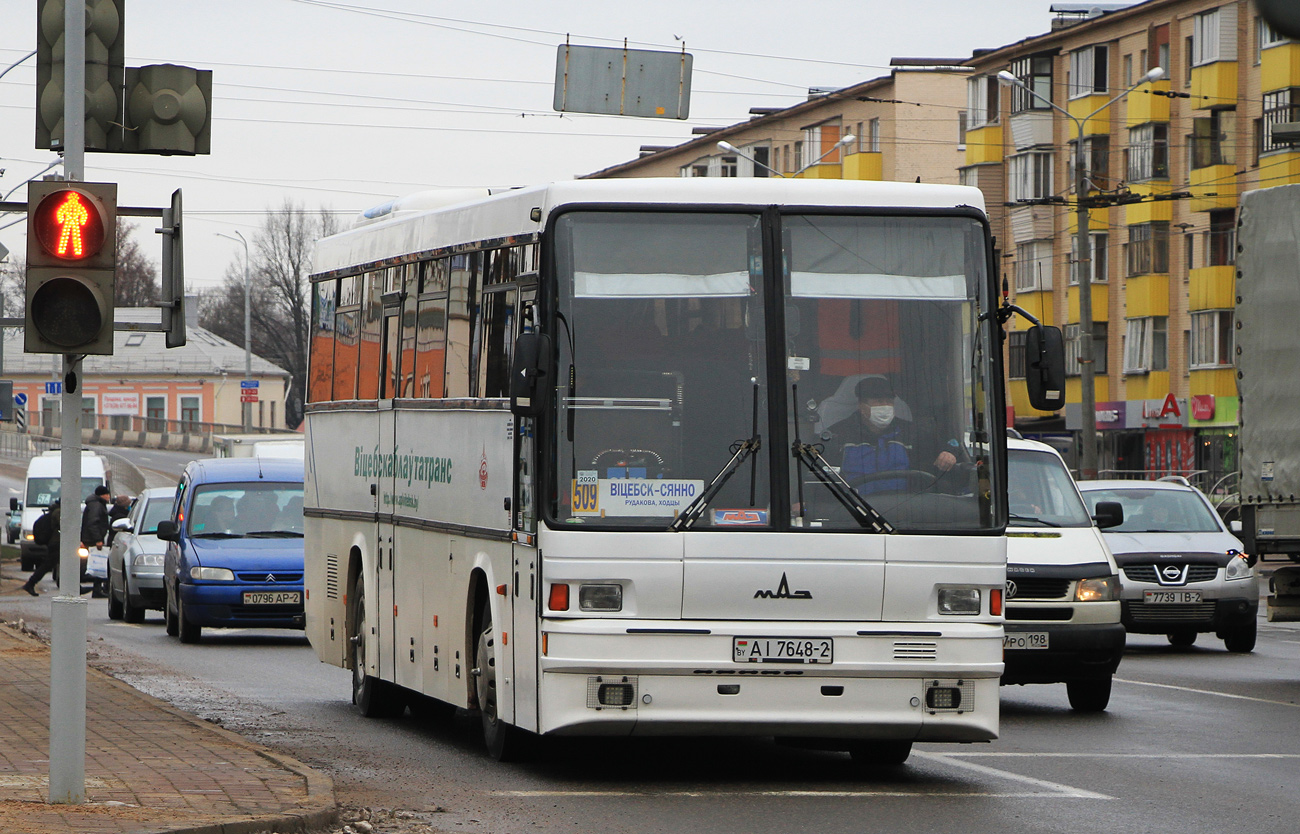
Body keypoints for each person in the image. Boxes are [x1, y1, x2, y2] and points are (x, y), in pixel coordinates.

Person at [837, 375, 957, 494]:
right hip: (853, 507)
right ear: (861, 406)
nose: (885, 406)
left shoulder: (912, 432)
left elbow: (947, 450)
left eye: (889, 401)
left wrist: (948, 454)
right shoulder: (838, 435)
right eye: (878, 401)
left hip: (905, 507)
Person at [21, 500, 60, 596]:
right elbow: (65, 526)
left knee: (63, 564)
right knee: (47, 565)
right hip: (57, 543)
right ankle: (30, 583)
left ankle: (76, 586)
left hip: (55, 543)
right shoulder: (58, 512)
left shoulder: (54, 511)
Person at [82, 485, 112, 598]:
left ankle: (97, 588)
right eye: (107, 494)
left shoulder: (96, 504)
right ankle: (97, 590)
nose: (109, 496)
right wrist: (98, 539)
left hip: (91, 538)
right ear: (102, 495)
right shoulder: (96, 505)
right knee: (97, 563)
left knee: (97, 562)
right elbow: (93, 522)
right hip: (92, 540)